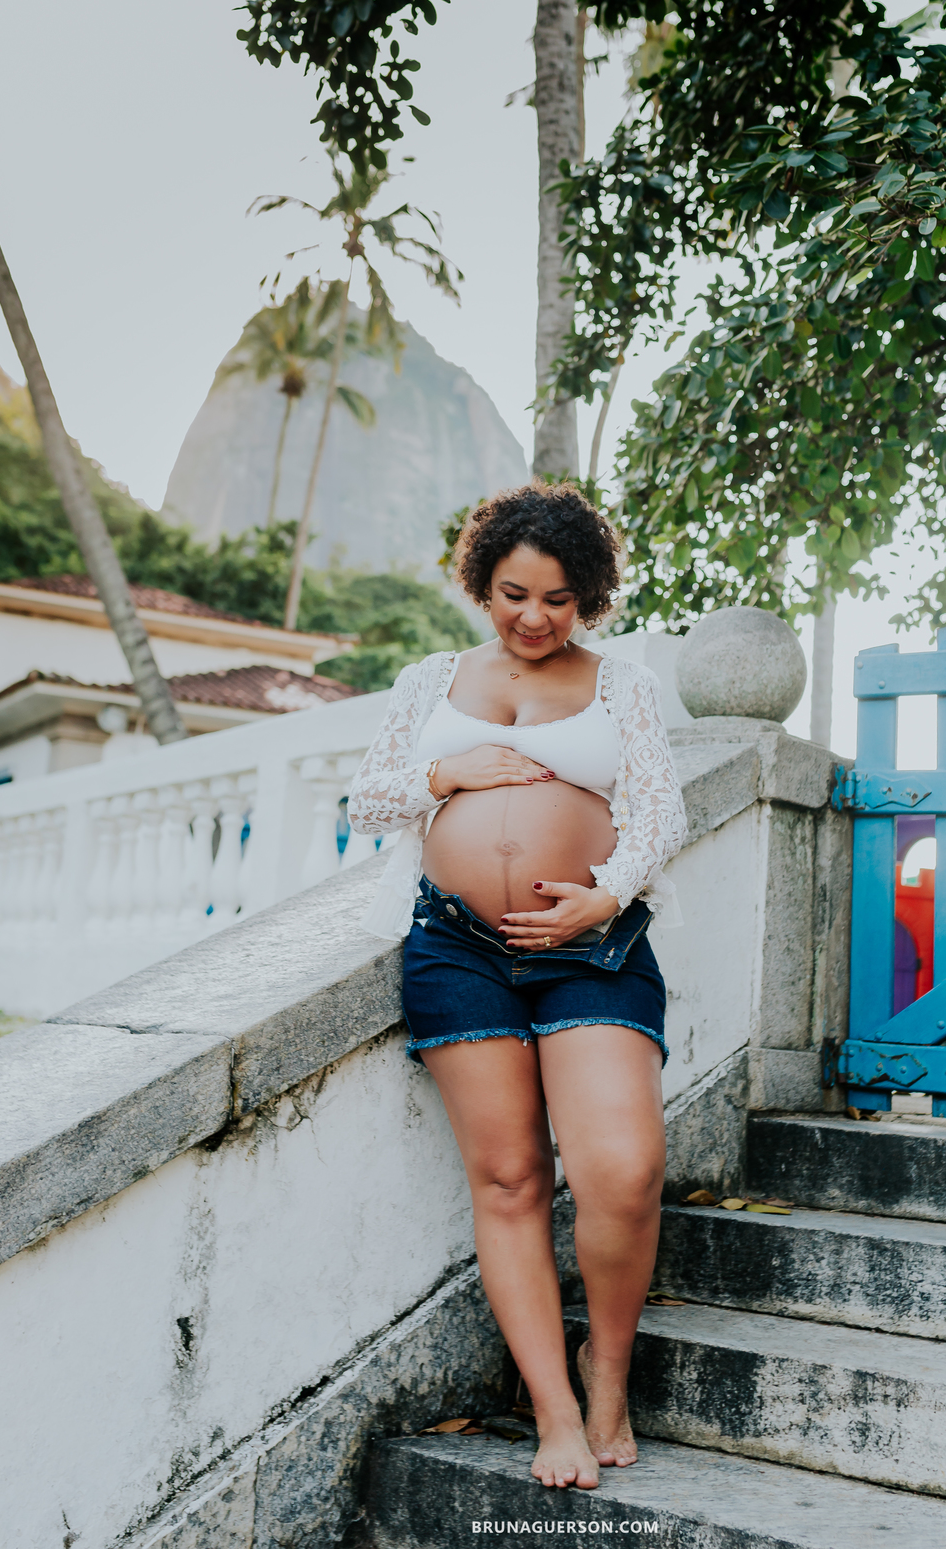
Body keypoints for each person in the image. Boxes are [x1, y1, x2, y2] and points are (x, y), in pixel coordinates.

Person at [347, 482, 686, 1491]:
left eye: (557, 599)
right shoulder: (431, 680)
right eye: (511, 595)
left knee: (622, 1168)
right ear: (480, 584)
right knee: (509, 1182)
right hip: (456, 949)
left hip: (593, 946)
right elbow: (370, 799)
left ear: (588, 596)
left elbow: (661, 813)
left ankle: (607, 1370)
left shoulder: (619, 686)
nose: (533, 619)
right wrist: (454, 777)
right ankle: (556, 1413)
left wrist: (605, 894)